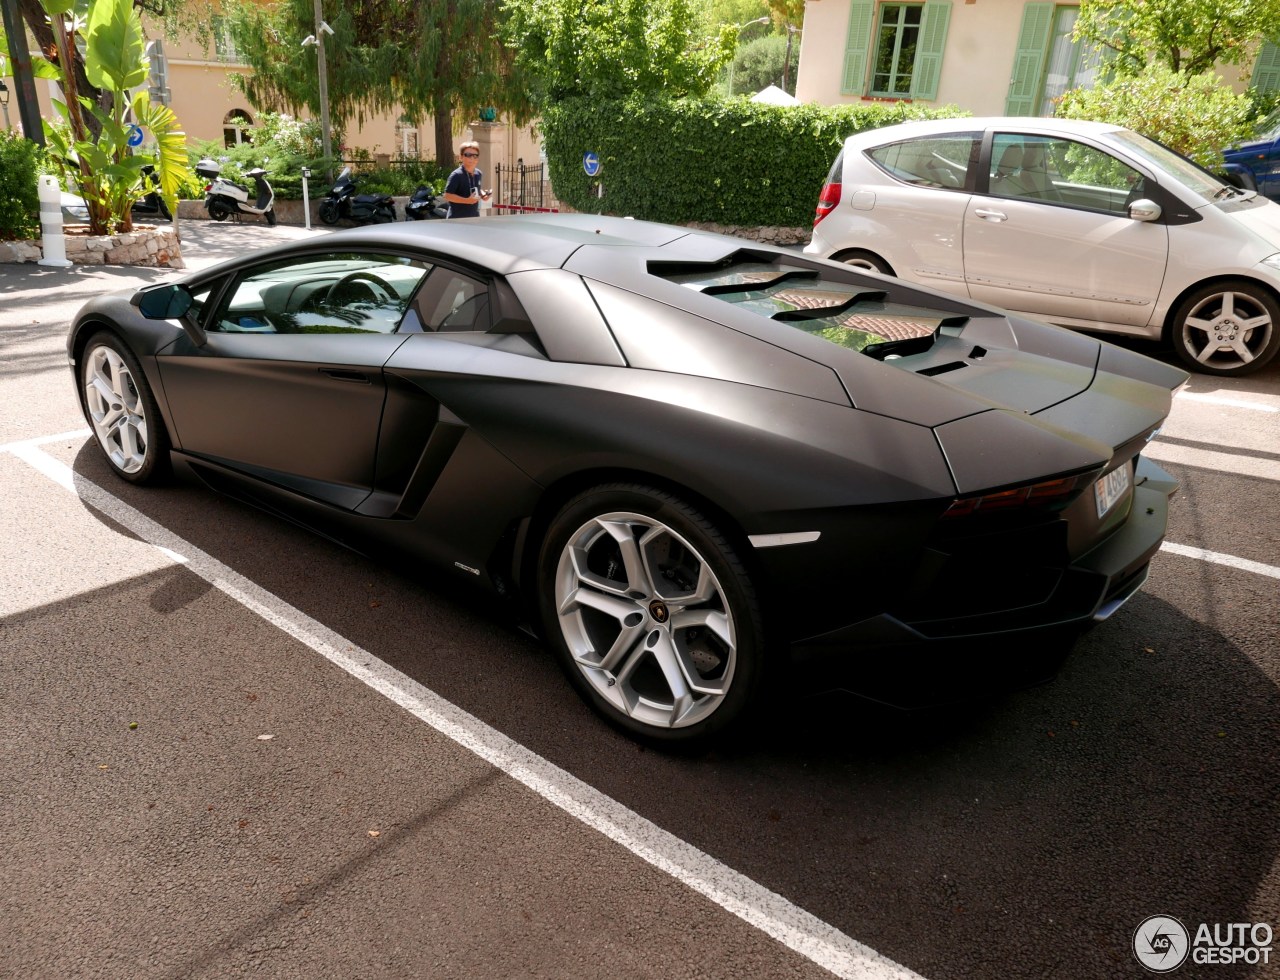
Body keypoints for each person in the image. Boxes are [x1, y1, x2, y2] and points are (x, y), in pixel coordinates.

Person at [443, 141, 492, 218]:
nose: (472, 158)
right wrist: (467, 201)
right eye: (468, 155)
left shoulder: (478, 173)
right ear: (461, 157)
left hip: (474, 218)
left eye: (475, 155)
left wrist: (483, 195)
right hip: (457, 220)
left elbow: (475, 189)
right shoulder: (456, 175)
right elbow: (447, 196)